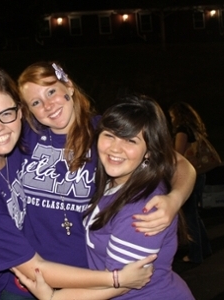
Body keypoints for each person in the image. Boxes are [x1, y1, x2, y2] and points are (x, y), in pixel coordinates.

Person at [0, 62, 196, 299]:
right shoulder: (22, 136)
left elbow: (178, 163)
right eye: (36, 102)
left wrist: (174, 199)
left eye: (51, 92)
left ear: (69, 87)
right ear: (25, 112)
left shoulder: (106, 135)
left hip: (87, 282)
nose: (48, 106)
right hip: (27, 281)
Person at [13, 95, 195, 299]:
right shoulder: (116, 183)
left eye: (130, 140)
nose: (115, 148)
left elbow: (123, 284)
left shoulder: (144, 210)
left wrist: (53, 297)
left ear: (149, 151)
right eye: (109, 135)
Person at [169, 101, 212, 264]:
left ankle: (196, 254)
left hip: (187, 174)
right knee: (194, 213)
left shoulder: (182, 131)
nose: (171, 119)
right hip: (199, 173)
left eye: (172, 116)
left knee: (189, 216)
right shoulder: (195, 129)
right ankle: (205, 248)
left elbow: (178, 154)